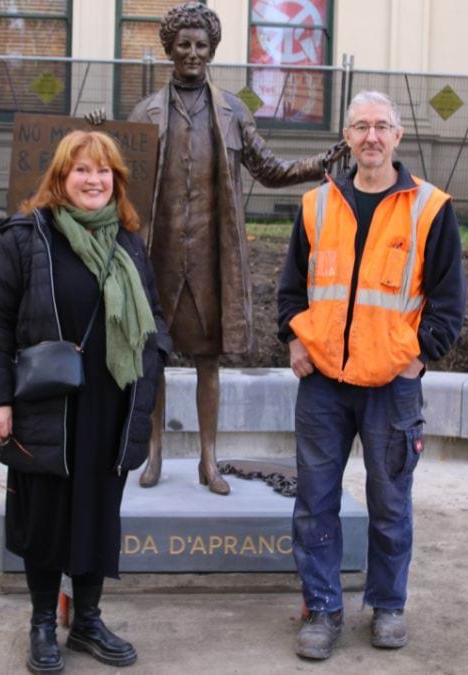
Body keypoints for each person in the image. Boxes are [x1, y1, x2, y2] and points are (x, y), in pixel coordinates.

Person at [89, 1, 346, 494]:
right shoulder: (145, 113)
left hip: (211, 258)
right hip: (158, 255)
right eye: (183, 44)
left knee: (209, 362)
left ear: (212, 50)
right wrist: (100, 133)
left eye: (200, 45)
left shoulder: (231, 111)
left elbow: (270, 170)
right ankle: (154, 453)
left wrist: (318, 163)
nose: (192, 53)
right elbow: (116, 180)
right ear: (170, 49)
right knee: (154, 357)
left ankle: (209, 460)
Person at [277, 90, 466, 660]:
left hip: (392, 386)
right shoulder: (315, 206)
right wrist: (292, 339)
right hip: (324, 384)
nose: (371, 138)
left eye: (381, 126)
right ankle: (323, 609)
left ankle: (387, 605)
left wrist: (419, 354)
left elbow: (449, 302)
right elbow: (289, 289)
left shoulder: (430, 208)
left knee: (390, 502)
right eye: (360, 127)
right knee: (314, 501)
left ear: (399, 135)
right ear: (347, 137)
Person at [0, 130, 172, 673]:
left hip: (112, 403)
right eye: (82, 170)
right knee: (44, 519)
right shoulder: (27, 237)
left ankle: (86, 620)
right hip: (47, 405)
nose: (94, 180)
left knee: (97, 515)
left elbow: (153, 314)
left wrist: (156, 358)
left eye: (104, 171)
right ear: (61, 178)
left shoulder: (127, 239)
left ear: (117, 180)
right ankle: (42, 623)